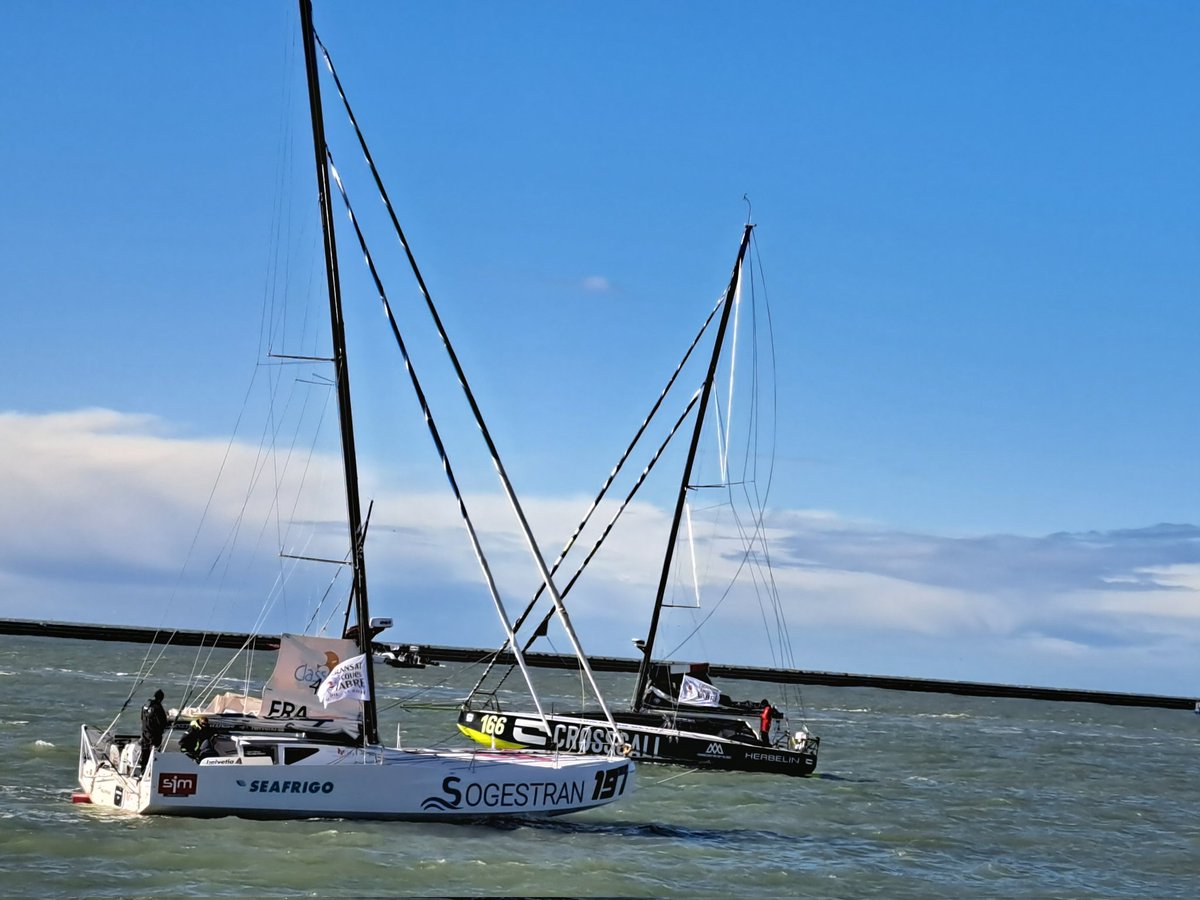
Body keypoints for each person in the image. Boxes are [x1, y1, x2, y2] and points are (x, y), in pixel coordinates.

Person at [135, 689, 168, 776]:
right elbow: (162, 722)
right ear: (161, 698)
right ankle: (153, 773)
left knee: (145, 752)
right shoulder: (157, 707)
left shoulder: (145, 706)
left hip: (145, 732)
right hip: (154, 734)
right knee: (155, 754)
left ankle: (143, 772)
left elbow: (142, 718)